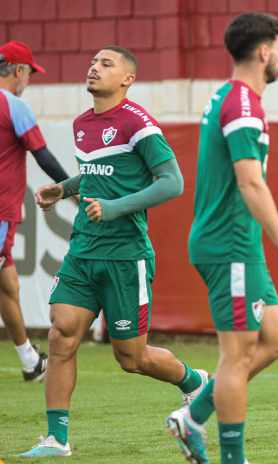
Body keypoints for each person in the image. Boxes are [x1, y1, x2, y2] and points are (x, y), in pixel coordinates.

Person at [20, 46, 207, 458]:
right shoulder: (83, 124)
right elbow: (97, 173)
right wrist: (64, 188)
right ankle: (57, 438)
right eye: (93, 62)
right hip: (84, 250)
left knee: (131, 357)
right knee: (61, 334)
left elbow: (172, 182)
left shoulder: (138, 123)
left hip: (126, 256)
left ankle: (194, 382)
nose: (94, 67)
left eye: (107, 64)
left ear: (127, 79)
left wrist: (116, 208)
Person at [165, 13, 278, 464]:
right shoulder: (242, 106)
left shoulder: (229, 97)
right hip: (229, 246)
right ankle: (231, 458)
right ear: (265, 50)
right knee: (237, 355)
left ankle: (194, 415)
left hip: (238, 244)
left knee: (276, 339)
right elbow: (250, 184)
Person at [0, 40, 72, 382]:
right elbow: (43, 156)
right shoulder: (13, 105)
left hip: (6, 212)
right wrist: (73, 189)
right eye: (29, 73)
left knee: (7, 284)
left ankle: (30, 360)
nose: (28, 81)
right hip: (0, 210)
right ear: (18, 71)